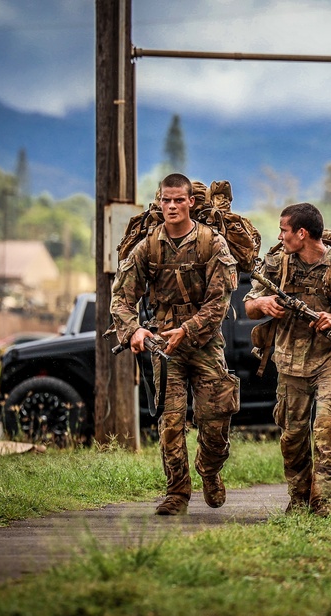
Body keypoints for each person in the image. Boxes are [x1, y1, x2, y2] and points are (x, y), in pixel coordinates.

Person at [110, 172, 240, 516]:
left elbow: (219, 301)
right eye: (165, 201)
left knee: (215, 419)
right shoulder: (148, 247)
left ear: (190, 203)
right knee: (170, 420)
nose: (171, 206)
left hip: (205, 341)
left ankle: (210, 469)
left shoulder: (212, 243)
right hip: (164, 345)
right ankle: (177, 492)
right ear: (159, 202)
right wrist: (135, 330)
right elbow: (121, 298)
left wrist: (189, 329)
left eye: (178, 200)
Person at [244, 202, 331, 517]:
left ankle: (324, 502)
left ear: (301, 233)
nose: (280, 236)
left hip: (330, 362)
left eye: (284, 230)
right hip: (289, 362)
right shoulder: (278, 264)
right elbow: (249, 305)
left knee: (327, 429)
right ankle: (299, 499)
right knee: (292, 437)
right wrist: (264, 303)